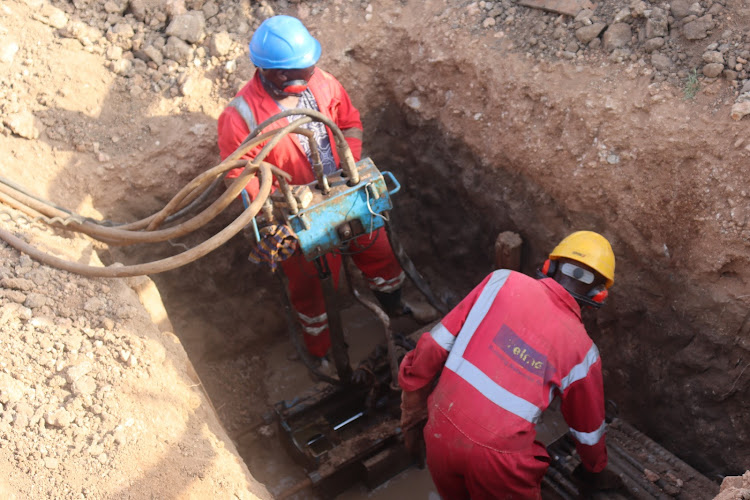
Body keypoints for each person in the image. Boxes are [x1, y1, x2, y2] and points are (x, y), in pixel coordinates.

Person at [217, 15, 410, 360]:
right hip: (295, 215)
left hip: (343, 193)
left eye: (311, 67)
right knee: (310, 288)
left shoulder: (322, 83)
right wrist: (271, 217)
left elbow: (349, 122)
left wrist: (347, 169)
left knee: (379, 251)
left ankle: (397, 312)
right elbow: (240, 178)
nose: (312, 74)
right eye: (304, 72)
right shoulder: (241, 117)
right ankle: (324, 355)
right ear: (277, 73)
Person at [398, 231, 621, 499]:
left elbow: (434, 346)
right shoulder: (583, 352)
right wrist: (594, 471)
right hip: (499, 462)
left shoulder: (500, 281)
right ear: (598, 296)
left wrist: (413, 404)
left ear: (551, 266)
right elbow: (588, 431)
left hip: (440, 427)